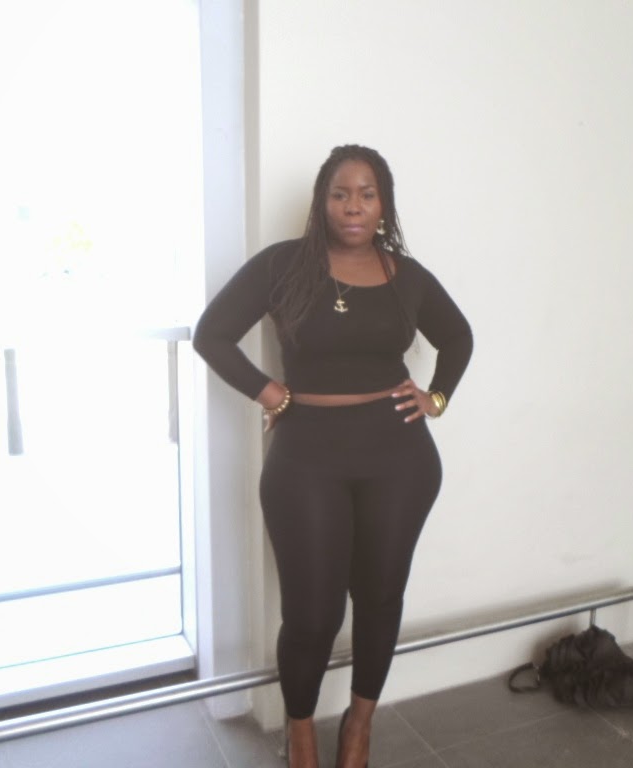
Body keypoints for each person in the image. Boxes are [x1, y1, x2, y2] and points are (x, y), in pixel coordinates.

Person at [193, 144, 473, 768]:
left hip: (399, 458)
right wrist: (268, 391)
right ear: (323, 201)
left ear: (383, 205)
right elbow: (212, 334)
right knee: (312, 614)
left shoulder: (406, 276)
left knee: (380, 597)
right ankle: (299, 730)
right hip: (306, 458)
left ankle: (359, 724)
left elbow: (458, 336)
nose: (353, 206)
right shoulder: (282, 266)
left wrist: (435, 398)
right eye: (341, 193)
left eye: (367, 195)